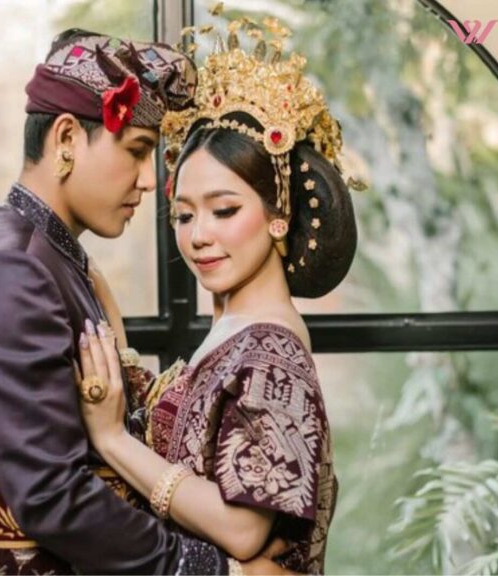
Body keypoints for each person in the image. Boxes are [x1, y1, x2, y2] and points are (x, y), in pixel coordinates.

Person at [0, 28, 289, 575]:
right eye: (138, 152)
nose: (151, 182)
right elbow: (52, 496)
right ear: (67, 139)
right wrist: (211, 571)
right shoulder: (8, 272)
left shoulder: (50, 256)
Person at [75, 14, 359, 575]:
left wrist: (111, 440)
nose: (199, 234)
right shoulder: (235, 333)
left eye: (225, 210)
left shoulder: (272, 355)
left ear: (279, 216)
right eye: (183, 215)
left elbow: (243, 528)